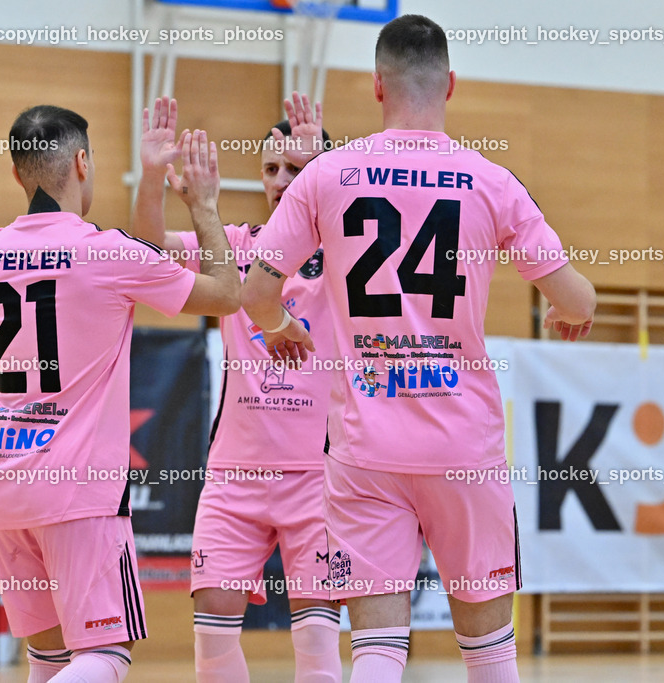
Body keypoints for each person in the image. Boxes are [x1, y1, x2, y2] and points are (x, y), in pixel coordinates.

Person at [241, 14, 596, 683]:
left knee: (376, 650)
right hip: (463, 446)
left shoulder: (326, 176)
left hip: (366, 449)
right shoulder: (491, 181)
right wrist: (564, 309)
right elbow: (580, 301)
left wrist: (282, 325)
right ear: (451, 84)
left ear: (377, 86)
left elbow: (258, 291)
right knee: (489, 653)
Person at [0, 105, 239, 683]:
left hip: (3, 488)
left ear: (19, 175)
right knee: (103, 657)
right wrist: (205, 205)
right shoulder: (107, 253)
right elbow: (226, 295)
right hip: (76, 491)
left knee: (50, 658)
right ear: (82, 162)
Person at [130, 94, 342, 682]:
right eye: (272, 169)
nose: (281, 180)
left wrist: (323, 166)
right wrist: (151, 176)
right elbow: (148, 251)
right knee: (213, 643)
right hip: (235, 477)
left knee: (319, 648)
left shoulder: (349, 257)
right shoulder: (238, 245)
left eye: (295, 169)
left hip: (317, 478)